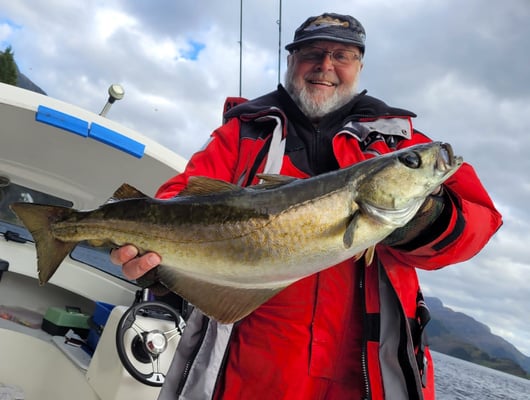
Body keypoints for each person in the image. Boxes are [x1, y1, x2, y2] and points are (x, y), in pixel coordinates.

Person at [111, 12, 502, 400]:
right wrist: (160, 264)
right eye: (312, 53)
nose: (325, 65)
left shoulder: (399, 143)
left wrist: (430, 219)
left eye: (342, 55)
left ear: (360, 66)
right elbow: (176, 201)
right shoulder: (244, 132)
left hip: (366, 378)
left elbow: (480, 220)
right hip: (246, 373)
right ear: (291, 60)